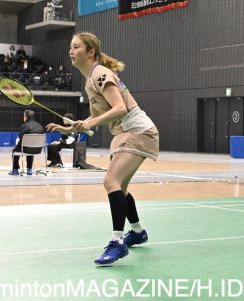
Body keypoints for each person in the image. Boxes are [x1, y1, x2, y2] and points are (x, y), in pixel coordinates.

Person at [46, 32, 159, 265]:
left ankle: (117, 243)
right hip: (125, 133)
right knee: (120, 188)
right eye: (70, 47)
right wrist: (69, 129)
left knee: (111, 181)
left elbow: (120, 108)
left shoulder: (100, 74)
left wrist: (90, 123)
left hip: (138, 131)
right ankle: (137, 232)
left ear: (91, 52)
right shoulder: (91, 79)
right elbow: (98, 116)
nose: (71, 51)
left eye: (76, 47)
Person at [9, 109, 44, 176]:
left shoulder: (24, 126)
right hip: (38, 150)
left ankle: (15, 170)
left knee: (15, 150)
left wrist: (16, 147)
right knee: (31, 148)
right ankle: (29, 169)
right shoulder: (40, 126)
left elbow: (20, 139)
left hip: (26, 149)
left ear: (26, 117)